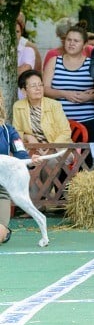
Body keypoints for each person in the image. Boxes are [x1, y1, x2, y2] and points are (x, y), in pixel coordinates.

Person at [42, 24, 94, 142]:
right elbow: (45, 89)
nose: (71, 43)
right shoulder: (54, 61)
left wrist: (88, 97)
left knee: (89, 158)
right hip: (59, 122)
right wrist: (65, 94)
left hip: (88, 120)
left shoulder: (91, 63)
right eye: (69, 40)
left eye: (76, 41)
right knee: (61, 159)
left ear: (84, 44)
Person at [0, 94, 39, 244]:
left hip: (1, 189)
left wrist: (30, 160)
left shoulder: (8, 131)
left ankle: (5, 231)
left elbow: (20, 153)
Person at [13, 69, 72, 153]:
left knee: (48, 161)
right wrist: (27, 137)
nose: (38, 88)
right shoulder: (18, 106)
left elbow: (66, 131)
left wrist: (51, 148)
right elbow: (16, 132)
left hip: (57, 148)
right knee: (17, 159)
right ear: (24, 90)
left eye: (40, 85)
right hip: (34, 149)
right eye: (33, 86)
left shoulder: (54, 105)